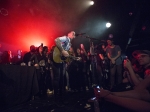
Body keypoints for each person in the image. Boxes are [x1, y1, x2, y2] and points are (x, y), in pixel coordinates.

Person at [52, 31, 76, 106]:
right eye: (73, 34)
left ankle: (61, 97)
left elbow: (66, 54)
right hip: (57, 59)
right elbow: (56, 40)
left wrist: (73, 58)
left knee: (62, 79)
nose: (74, 35)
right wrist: (62, 50)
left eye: (74, 35)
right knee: (57, 78)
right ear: (69, 34)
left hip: (62, 61)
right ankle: (56, 98)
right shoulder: (65, 38)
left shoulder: (69, 44)